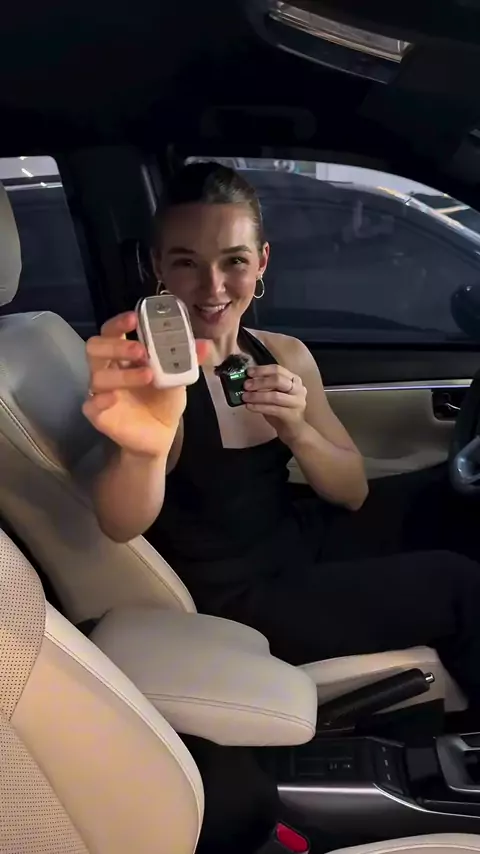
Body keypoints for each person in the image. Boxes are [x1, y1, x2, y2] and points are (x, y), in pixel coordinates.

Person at [83, 161, 480, 707]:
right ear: (158, 267)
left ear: (262, 261)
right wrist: (143, 452)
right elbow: (119, 521)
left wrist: (298, 430)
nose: (213, 287)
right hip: (238, 596)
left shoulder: (284, 353)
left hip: (293, 537)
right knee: (457, 586)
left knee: (449, 505)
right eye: (186, 263)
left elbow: (352, 492)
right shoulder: (151, 380)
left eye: (234, 261)